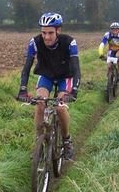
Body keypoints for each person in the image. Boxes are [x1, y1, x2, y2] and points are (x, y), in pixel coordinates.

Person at [16, 12, 81, 160]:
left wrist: (74, 91)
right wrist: (23, 89)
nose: (46, 37)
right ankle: (39, 142)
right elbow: (26, 67)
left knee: (59, 107)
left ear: (58, 30)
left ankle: (66, 140)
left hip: (65, 77)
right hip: (46, 76)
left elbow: (76, 69)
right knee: (40, 103)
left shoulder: (69, 42)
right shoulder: (35, 42)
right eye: (43, 32)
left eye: (50, 33)